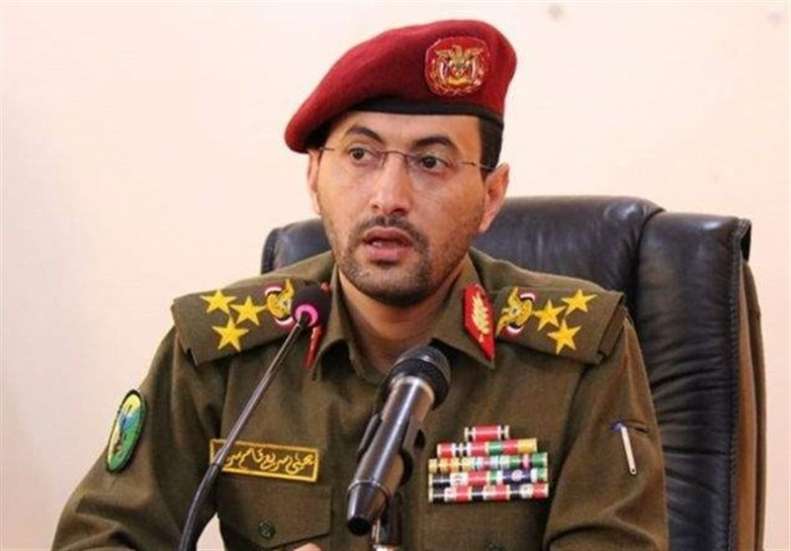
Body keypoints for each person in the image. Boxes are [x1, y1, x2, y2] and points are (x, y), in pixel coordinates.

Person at [53, 19, 668, 550]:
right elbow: (101, 537)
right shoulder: (226, 350)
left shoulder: (578, 353)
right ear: (314, 175)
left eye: (431, 162)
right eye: (360, 155)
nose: (388, 197)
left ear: (490, 195)